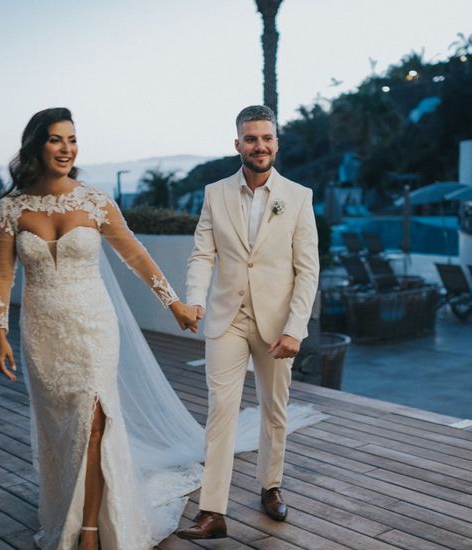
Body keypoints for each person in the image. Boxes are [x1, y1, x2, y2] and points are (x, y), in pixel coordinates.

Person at [0, 107, 204, 549]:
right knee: (62, 427)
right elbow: (2, 273)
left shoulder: (94, 201)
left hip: (93, 325)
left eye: (72, 139)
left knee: (96, 417)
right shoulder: (10, 208)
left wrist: (174, 304)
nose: (66, 149)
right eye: (55, 139)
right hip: (42, 329)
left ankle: (89, 529)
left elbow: (137, 255)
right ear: (36, 145)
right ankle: (69, 509)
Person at [175, 105, 320, 540]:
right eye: (251, 138)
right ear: (237, 144)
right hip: (226, 318)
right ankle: (212, 512)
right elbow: (203, 253)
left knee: (275, 410)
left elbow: (308, 269)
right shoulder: (214, 193)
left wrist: (296, 326)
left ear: (276, 142)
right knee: (221, 411)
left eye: (267, 138)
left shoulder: (298, 197)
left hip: (278, 323)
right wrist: (195, 301)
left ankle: (269, 486)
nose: (260, 145)